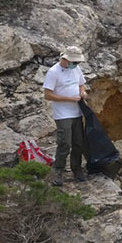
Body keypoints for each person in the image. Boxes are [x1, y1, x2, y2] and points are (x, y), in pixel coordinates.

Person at [43, 45, 88, 187]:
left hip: (76, 111)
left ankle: (77, 168)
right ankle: (58, 170)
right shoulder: (53, 72)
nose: (76, 65)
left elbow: (82, 84)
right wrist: (68, 99)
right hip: (63, 114)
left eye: (78, 63)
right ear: (65, 59)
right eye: (74, 62)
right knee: (64, 143)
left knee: (78, 142)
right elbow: (48, 95)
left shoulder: (76, 69)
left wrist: (82, 92)